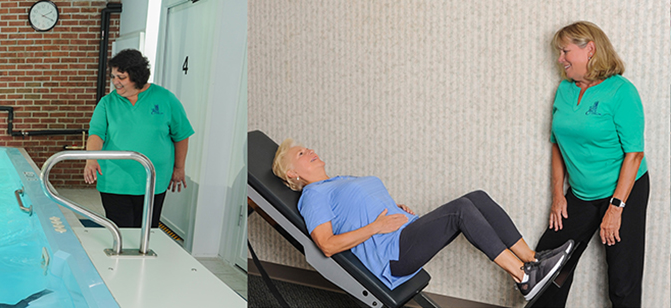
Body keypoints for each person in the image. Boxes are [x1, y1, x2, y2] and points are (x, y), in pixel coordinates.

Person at [272, 139, 573, 300]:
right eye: (301, 152)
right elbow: (326, 244)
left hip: (402, 234)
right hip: (390, 255)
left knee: (477, 197)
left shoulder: (338, 181)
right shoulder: (313, 195)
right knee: (461, 211)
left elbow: (363, 209)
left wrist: (397, 210)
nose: (309, 150)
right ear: (293, 173)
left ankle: (532, 260)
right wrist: (376, 227)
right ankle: (523, 277)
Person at [532, 21, 649, 307]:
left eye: (564, 51)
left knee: (622, 280)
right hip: (581, 194)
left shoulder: (621, 92)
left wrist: (616, 207)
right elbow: (557, 144)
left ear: (590, 50)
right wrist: (559, 196)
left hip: (623, 191)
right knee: (546, 265)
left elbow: (634, 154)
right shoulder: (565, 89)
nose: (560, 59)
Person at [82, 49, 194, 228]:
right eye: (113, 77)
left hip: (153, 179)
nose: (115, 82)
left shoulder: (165, 99)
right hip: (115, 180)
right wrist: (91, 158)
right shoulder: (107, 103)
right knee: (121, 231)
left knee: (148, 231)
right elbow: (96, 134)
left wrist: (179, 167)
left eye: (121, 77)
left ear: (137, 76)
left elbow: (181, 135)